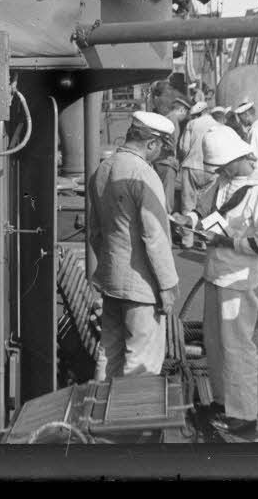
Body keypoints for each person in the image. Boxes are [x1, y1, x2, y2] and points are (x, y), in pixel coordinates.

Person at [175, 127, 258, 437]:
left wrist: (227, 241)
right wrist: (187, 221)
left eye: (223, 165)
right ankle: (222, 402)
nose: (219, 171)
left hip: (238, 280)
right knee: (214, 344)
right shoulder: (223, 182)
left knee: (237, 347)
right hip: (215, 274)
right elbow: (204, 210)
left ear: (237, 157)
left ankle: (244, 414)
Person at [86, 111, 180, 380]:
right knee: (141, 364)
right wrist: (168, 285)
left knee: (110, 355)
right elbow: (156, 237)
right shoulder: (143, 174)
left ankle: (102, 416)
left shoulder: (103, 170)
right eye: (161, 148)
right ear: (152, 144)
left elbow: (95, 232)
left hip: (112, 282)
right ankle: (134, 422)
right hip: (142, 287)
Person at [176, 101, 220, 247]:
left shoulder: (191, 124)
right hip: (212, 169)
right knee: (208, 205)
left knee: (188, 203)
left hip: (192, 166)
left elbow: (183, 147)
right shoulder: (218, 125)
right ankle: (204, 240)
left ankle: (187, 240)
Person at [234, 100, 258, 181]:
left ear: (247, 115)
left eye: (240, 117)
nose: (240, 121)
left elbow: (253, 157)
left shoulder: (255, 130)